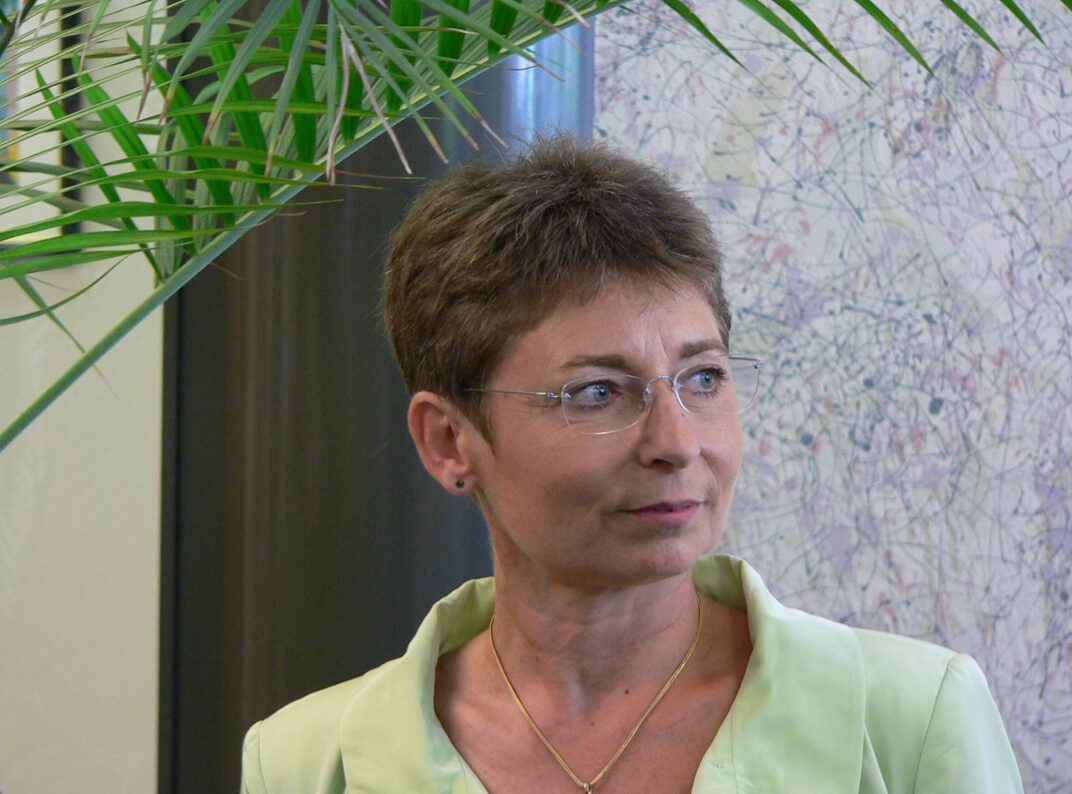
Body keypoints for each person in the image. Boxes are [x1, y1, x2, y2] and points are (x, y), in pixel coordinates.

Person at [240, 136, 1023, 793]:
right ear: (449, 441)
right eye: (596, 392)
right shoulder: (306, 763)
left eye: (703, 378)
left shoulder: (914, 721)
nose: (676, 443)